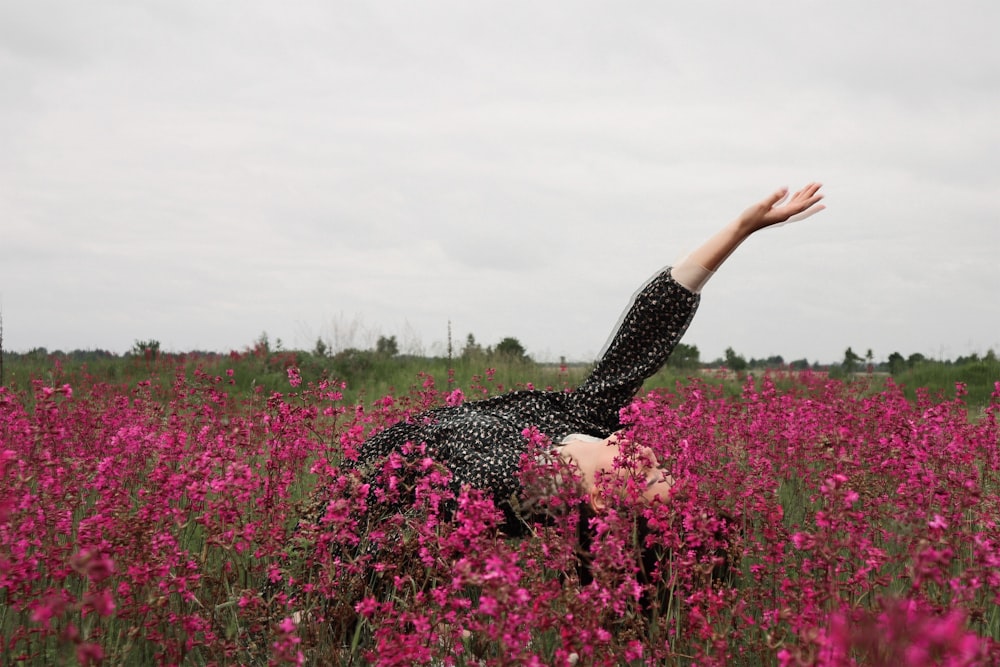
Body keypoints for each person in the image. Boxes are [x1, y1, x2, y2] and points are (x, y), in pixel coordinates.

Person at [345, 183, 826, 532]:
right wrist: (742, 228)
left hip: (349, 521)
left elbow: (420, 481)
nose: (654, 456)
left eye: (650, 476)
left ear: (597, 502)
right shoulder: (583, 423)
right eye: (665, 468)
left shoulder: (516, 487)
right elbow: (649, 326)